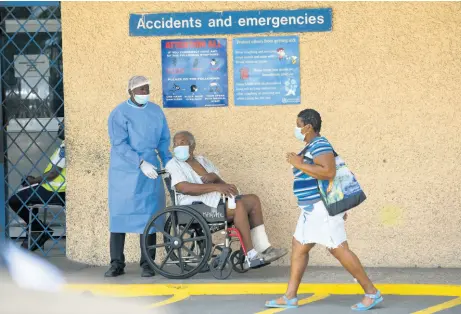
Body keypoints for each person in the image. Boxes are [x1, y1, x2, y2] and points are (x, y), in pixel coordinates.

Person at [265, 109, 382, 311]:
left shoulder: (320, 144)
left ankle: (371, 292)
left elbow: (328, 172)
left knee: (338, 249)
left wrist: (298, 163)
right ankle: (290, 296)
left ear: (308, 126)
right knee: (299, 245)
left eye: (298, 124)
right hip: (310, 209)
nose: (297, 128)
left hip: (320, 208)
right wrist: (300, 162)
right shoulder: (311, 146)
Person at [165, 131, 288, 267]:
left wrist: (218, 181)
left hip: (214, 200)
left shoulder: (203, 161)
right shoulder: (173, 164)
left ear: (192, 146)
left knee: (253, 200)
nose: (177, 146)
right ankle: (250, 255)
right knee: (239, 205)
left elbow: (220, 184)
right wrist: (215, 188)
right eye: (175, 143)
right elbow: (184, 188)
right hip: (193, 205)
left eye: (182, 142)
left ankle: (263, 248)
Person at [105, 76, 172, 278]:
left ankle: (148, 263)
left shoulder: (156, 111)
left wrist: (168, 163)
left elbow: (163, 140)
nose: (145, 93)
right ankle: (116, 263)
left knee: (148, 217)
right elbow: (119, 144)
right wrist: (139, 163)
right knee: (119, 217)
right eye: (141, 90)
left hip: (150, 169)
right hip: (124, 171)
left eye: (147, 89)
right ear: (131, 92)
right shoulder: (119, 113)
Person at [8, 122, 66, 251]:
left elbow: (53, 173)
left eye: (63, 124)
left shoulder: (66, 147)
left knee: (15, 200)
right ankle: (36, 230)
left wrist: (34, 181)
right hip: (53, 188)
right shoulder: (66, 145)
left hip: (55, 191)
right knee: (26, 195)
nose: (59, 126)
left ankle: (38, 230)